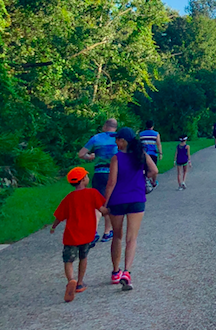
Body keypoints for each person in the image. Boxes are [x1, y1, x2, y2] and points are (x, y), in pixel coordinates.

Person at [102, 127, 158, 291]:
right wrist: (142, 178)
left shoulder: (116, 158)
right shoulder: (140, 155)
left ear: (123, 141)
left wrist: (104, 204)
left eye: (117, 139)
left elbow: (111, 183)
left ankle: (115, 272)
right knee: (131, 238)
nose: (115, 142)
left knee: (117, 236)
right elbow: (154, 170)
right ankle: (127, 271)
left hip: (118, 200)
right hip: (136, 198)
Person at [51, 167, 106, 302]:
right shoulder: (93, 193)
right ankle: (80, 283)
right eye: (86, 176)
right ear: (83, 180)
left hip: (71, 235)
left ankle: (71, 280)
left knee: (68, 260)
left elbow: (59, 216)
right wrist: (113, 211)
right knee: (83, 257)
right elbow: (102, 209)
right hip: (87, 235)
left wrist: (53, 227)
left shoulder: (69, 198)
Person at [78, 118, 118, 244]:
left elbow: (81, 154)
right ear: (115, 127)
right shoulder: (119, 138)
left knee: (98, 203)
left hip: (99, 173)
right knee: (110, 202)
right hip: (114, 173)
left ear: (105, 126)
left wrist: (89, 157)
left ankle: (93, 231)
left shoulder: (96, 138)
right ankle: (107, 232)